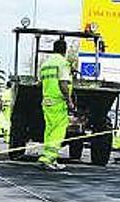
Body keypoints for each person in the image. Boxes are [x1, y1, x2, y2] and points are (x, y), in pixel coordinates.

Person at [38, 39, 76, 170]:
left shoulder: (45, 64)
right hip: (58, 102)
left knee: (49, 130)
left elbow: (40, 83)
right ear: (64, 50)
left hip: (47, 101)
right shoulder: (62, 63)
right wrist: (69, 100)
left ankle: (50, 158)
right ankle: (48, 158)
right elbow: (63, 83)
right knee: (58, 131)